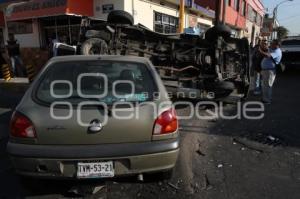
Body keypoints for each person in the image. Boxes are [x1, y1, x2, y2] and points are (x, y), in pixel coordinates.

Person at [259, 39, 282, 104]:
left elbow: (267, 55)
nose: (271, 44)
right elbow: (266, 49)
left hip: (270, 71)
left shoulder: (277, 51)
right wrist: (262, 45)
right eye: (271, 43)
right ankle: (264, 98)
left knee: (268, 86)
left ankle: (267, 100)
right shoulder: (272, 49)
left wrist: (260, 51)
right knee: (264, 85)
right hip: (266, 70)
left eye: (272, 43)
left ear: (277, 45)